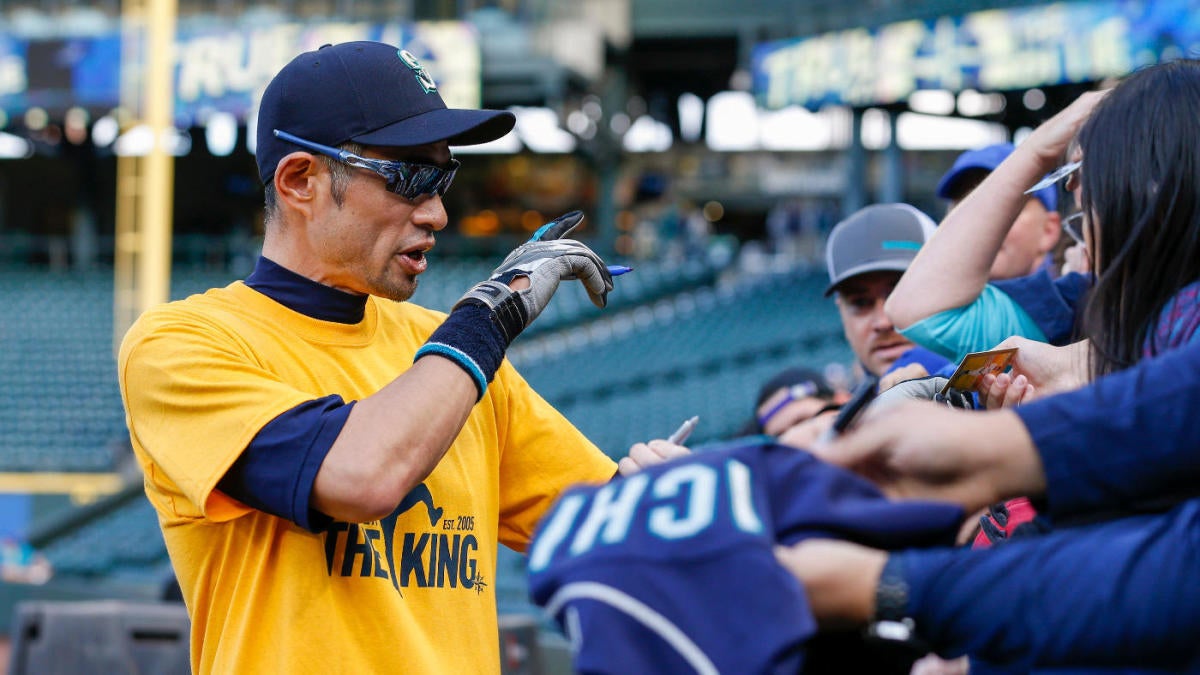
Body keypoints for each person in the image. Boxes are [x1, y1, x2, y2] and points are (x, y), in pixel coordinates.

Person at [118, 41, 652, 674]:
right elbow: (361, 477)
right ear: (300, 181)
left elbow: (613, 534)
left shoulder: (452, 360)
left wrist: (665, 494)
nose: (438, 212)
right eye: (408, 178)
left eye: (443, 179)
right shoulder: (184, 345)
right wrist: (489, 317)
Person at [777, 60, 1200, 670]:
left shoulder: (1158, 315)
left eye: (1091, 180)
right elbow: (917, 309)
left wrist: (1000, 452)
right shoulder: (1104, 308)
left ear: (1150, 187)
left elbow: (1160, 570)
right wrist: (1036, 150)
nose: (1082, 197)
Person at [885, 101, 1102, 364]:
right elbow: (913, 307)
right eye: (966, 206)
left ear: (1049, 229)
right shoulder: (919, 355)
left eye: (1009, 207)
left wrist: (1036, 154)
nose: (988, 221)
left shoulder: (1074, 299)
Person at [823, 204, 947, 379]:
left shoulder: (992, 393)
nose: (883, 323)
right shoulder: (850, 404)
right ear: (841, 312)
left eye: (902, 295)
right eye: (861, 303)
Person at [934, 143, 1063, 281]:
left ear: (1049, 230)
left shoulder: (1079, 298)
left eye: (1004, 206)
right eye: (965, 206)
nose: (980, 222)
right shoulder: (926, 295)